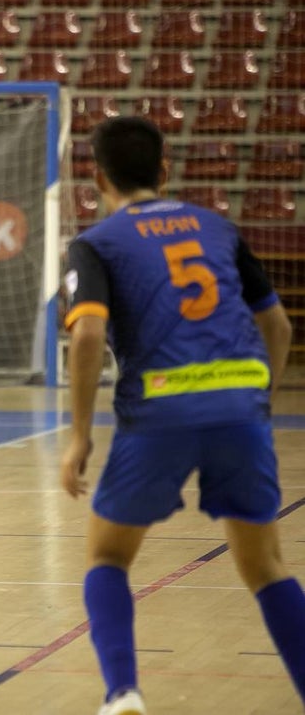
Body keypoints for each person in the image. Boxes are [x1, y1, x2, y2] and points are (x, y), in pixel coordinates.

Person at [60, 116, 305, 714]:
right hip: (240, 411)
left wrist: (79, 437)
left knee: (108, 557)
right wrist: (256, 400)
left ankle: (123, 694)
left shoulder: (97, 242)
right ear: (164, 172)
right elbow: (277, 325)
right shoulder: (217, 227)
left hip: (159, 413)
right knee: (267, 567)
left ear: (97, 180)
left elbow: (89, 334)